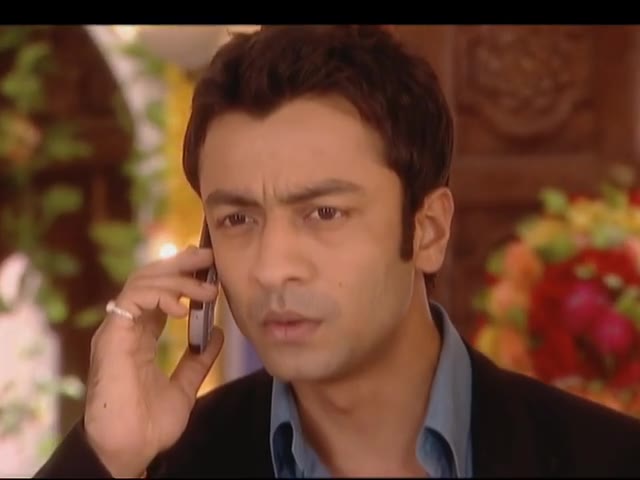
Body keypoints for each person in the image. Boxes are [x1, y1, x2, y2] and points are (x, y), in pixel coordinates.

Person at [36, 25, 640, 478]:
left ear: (427, 230)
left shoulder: (606, 458)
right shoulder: (174, 463)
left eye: (324, 213)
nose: (272, 268)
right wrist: (105, 459)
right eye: (237, 219)